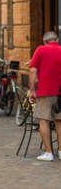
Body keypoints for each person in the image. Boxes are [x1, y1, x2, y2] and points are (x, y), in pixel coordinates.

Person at [29, 31, 61, 161]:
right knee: (59, 121)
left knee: (44, 120)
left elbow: (32, 70)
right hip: (60, 92)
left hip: (45, 91)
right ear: (57, 40)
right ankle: (60, 151)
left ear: (44, 41)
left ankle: (48, 153)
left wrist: (32, 90)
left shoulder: (41, 50)